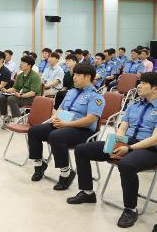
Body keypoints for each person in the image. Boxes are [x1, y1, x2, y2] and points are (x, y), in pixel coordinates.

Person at [67, 72, 157, 228]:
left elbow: (155, 138)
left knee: (126, 164)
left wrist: (128, 148)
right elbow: (122, 128)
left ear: (155, 88)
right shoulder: (133, 105)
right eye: (139, 83)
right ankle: (87, 192)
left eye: (143, 83)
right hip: (126, 143)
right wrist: (117, 143)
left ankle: (130, 209)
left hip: (149, 149)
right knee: (82, 150)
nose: (139, 86)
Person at [27, 63, 105, 190]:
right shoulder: (71, 92)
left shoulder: (96, 97)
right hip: (63, 125)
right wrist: (54, 118)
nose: (74, 77)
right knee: (34, 131)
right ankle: (39, 165)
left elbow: (90, 120)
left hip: (82, 131)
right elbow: (61, 108)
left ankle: (66, 173)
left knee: (56, 136)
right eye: (74, 74)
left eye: (78, 75)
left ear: (88, 77)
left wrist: (66, 124)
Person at [0, 55, 42, 127]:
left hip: (32, 98)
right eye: (21, 62)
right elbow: (15, 88)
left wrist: (21, 95)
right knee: (2, 97)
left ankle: (17, 119)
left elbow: (33, 92)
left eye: (23, 63)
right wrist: (7, 90)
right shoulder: (20, 75)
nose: (20, 64)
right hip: (20, 95)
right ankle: (6, 117)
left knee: (11, 98)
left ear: (29, 65)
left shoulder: (35, 76)